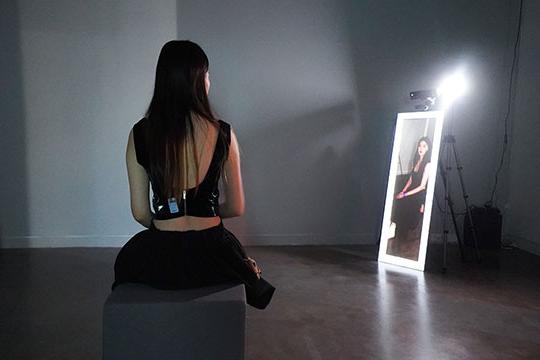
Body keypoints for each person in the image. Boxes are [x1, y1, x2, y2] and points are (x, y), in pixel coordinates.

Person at [112, 40, 275, 309]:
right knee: (246, 270)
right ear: (198, 81)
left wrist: (171, 222)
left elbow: (141, 213)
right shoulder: (224, 133)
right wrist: (204, 214)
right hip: (213, 256)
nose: (210, 81)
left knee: (126, 264)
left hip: (160, 257)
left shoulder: (140, 134)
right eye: (207, 75)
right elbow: (236, 206)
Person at [389, 136, 432, 257]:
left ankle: (403, 237)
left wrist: (406, 194)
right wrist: (402, 191)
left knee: (406, 204)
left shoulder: (428, 164)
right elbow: (411, 179)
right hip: (411, 190)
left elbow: (422, 186)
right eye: (419, 145)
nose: (420, 148)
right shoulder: (416, 160)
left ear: (428, 148)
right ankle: (397, 233)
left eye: (424, 146)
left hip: (418, 194)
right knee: (398, 200)